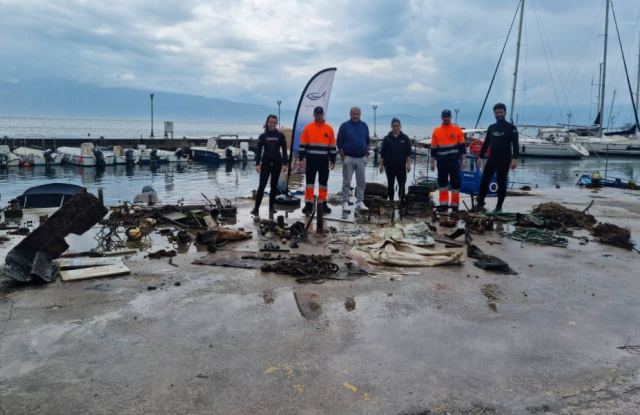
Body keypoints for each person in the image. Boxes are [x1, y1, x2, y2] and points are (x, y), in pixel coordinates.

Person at [476, 103, 519, 212]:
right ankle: (480, 204)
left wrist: (514, 159)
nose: (499, 114)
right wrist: (480, 157)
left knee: (501, 182)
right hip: (492, 159)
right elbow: (486, 143)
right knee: (484, 181)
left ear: (505, 112)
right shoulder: (491, 127)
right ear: (494, 114)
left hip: (504, 160)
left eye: (501, 112)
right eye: (497, 113)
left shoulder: (511, 128)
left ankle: (498, 207)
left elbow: (515, 145)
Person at [298, 106, 337, 215]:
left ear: (323, 115)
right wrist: (301, 158)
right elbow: (303, 145)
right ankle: (309, 204)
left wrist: (333, 160)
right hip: (311, 160)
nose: (319, 116)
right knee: (309, 183)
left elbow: (332, 146)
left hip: (324, 161)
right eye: (317, 114)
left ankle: (323, 203)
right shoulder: (308, 128)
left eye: (320, 114)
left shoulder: (329, 129)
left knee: (323, 183)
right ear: (314, 115)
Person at [430, 109, 466, 213]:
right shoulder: (436, 131)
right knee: (442, 183)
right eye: (444, 116)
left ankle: (455, 206)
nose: (446, 118)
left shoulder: (457, 130)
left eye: (448, 116)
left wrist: (464, 159)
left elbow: (462, 146)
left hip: (454, 161)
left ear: (450, 117)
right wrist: (432, 162)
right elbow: (433, 148)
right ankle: (444, 205)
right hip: (441, 162)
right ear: (441, 118)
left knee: (455, 183)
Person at [251, 114, 288, 215]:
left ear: (276, 124)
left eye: (274, 123)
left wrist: (285, 164)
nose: (272, 124)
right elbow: (258, 152)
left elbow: (284, 151)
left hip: (277, 163)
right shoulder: (262, 136)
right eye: (271, 122)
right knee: (262, 186)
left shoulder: (281, 136)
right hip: (266, 163)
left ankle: (271, 207)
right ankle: (256, 209)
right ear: (267, 122)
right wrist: (257, 164)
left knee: (274, 186)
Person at [337, 107, 370, 212]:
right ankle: (345, 202)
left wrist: (366, 156)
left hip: (361, 158)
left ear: (360, 114)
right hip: (349, 158)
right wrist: (343, 157)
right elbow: (339, 142)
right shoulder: (344, 126)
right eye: (353, 114)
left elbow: (368, 141)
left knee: (361, 182)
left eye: (357, 114)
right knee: (347, 182)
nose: (355, 116)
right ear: (350, 114)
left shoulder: (364, 125)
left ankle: (360, 202)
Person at [379, 118, 412, 202]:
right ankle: (391, 201)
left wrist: (408, 165)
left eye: (397, 126)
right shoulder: (387, 138)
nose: (396, 128)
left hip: (401, 166)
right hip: (389, 166)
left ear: (400, 126)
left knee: (402, 185)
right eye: (394, 126)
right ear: (391, 127)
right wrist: (381, 165)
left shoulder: (405, 138)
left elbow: (408, 154)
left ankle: (401, 201)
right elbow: (382, 154)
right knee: (390, 185)